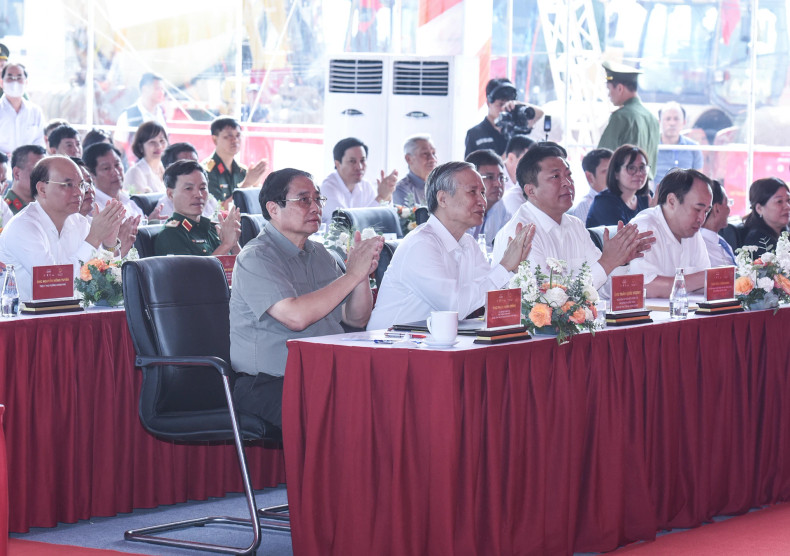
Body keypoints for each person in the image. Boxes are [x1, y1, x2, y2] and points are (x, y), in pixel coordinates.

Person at [230, 168, 384, 427]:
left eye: (318, 199)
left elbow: (356, 318)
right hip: (269, 383)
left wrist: (361, 276)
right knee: (347, 414)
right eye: (303, 200)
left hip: (322, 375)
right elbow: (295, 317)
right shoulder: (256, 257)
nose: (315, 207)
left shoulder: (320, 253)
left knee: (386, 396)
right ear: (273, 209)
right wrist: (351, 275)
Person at [367, 161, 536, 330]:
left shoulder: (468, 243)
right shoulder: (421, 244)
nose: (482, 201)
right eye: (472, 192)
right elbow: (454, 307)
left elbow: (490, 295)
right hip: (389, 346)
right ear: (443, 199)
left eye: (482, 193)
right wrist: (505, 266)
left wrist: (513, 269)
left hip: (432, 343)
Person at [492, 143, 654, 293]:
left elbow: (601, 289)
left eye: (569, 175)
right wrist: (608, 262)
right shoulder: (520, 234)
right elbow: (544, 302)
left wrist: (621, 260)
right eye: (556, 177)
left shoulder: (575, 225)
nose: (567, 183)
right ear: (531, 190)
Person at [0, 156, 136, 301]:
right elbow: (55, 288)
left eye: (81, 185)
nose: (79, 192)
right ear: (42, 189)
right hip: (27, 321)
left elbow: (108, 291)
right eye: (68, 185)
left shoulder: (80, 223)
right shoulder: (23, 227)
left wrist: (110, 245)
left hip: (73, 316)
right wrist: (94, 238)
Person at [629, 168, 713, 297]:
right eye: (697, 209)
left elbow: (702, 283)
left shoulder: (692, 231)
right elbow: (644, 286)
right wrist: (707, 278)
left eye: (706, 212)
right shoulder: (645, 227)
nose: (702, 219)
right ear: (672, 201)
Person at [154, 160, 240, 256]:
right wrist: (226, 245)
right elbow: (194, 271)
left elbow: (244, 267)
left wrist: (234, 242)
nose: (198, 195)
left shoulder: (213, 228)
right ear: (170, 194)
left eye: (203, 188)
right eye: (188, 188)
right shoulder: (170, 234)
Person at [597, 61, 659, 181]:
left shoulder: (620, 117)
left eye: (609, 89)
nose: (609, 95)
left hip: (623, 190)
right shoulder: (652, 118)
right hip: (644, 188)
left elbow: (602, 158)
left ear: (620, 88)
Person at [321, 137, 398, 223]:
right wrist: (381, 197)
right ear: (337, 164)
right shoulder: (327, 188)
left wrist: (387, 195)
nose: (359, 167)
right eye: (352, 161)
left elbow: (383, 220)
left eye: (362, 160)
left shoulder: (366, 185)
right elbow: (346, 223)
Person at [464, 78, 543, 158]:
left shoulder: (516, 128)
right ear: (488, 103)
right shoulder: (474, 134)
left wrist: (517, 104)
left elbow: (540, 114)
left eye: (507, 105)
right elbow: (469, 168)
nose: (504, 109)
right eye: (500, 104)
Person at [204, 117, 268, 206]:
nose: (235, 140)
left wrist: (256, 184)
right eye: (228, 136)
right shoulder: (206, 171)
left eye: (238, 135)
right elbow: (217, 209)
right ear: (215, 139)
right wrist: (246, 184)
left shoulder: (242, 171)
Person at [586, 145, 651, 227]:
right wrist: (652, 215)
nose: (639, 173)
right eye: (631, 168)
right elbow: (627, 237)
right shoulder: (604, 202)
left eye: (642, 167)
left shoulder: (646, 197)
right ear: (616, 173)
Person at [83, 143, 150, 220]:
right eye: (106, 168)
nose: (116, 172)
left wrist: (150, 222)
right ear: (92, 175)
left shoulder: (127, 199)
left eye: (117, 164)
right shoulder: (93, 209)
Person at [465, 149, 512, 251]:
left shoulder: (501, 207)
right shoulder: (460, 208)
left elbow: (507, 247)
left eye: (501, 177)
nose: (498, 184)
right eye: (490, 177)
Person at [160, 142, 217, 219]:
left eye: (194, 163)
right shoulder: (164, 206)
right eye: (184, 164)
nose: (191, 167)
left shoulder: (209, 200)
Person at [654, 101, 704, 188]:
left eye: (676, 119)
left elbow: (698, 182)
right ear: (659, 122)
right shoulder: (651, 146)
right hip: (657, 198)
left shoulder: (693, 148)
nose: (672, 123)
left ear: (684, 122)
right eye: (668, 119)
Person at [114, 72, 167, 153]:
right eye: (157, 88)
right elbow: (119, 147)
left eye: (162, 89)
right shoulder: (127, 116)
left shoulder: (163, 113)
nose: (161, 92)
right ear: (145, 89)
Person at [0, 62, 45, 155]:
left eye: (19, 77)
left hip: (29, 167)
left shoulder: (35, 111)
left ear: (26, 82)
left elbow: (40, 142)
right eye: (10, 77)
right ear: (1, 82)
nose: (15, 81)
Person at [742, 177, 790, 255]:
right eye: (779, 201)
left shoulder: (785, 232)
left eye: (788, 200)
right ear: (759, 208)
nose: (787, 206)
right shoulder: (758, 241)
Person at [568, 148, 612, 223]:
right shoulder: (586, 205)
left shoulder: (623, 200)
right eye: (606, 171)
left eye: (615, 170)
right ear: (590, 177)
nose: (614, 176)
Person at [123, 121, 167, 195]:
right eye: (152, 142)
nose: (159, 146)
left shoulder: (164, 168)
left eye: (162, 141)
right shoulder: (135, 172)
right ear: (140, 147)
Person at [392, 134, 437, 206]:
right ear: (408, 159)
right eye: (425, 153)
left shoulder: (440, 186)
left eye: (433, 153)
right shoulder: (401, 189)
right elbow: (411, 217)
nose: (432, 159)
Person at [701, 179, 736, 266]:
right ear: (716, 209)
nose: (729, 209)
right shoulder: (701, 245)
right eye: (727, 203)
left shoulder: (720, 240)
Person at [3, 144, 46, 215]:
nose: (44, 177)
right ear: (17, 173)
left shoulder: (49, 208)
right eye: (37, 171)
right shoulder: (3, 210)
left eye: (46, 172)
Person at [500, 135, 535, 214]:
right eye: (527, 161)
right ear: (511, 158)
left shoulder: (530, 182)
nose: (532, 166)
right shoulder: (495, 183)